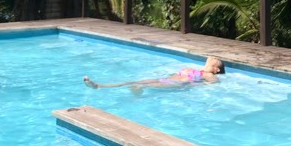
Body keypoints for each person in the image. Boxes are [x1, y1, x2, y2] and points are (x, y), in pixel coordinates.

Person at [83, 56, 225, 92]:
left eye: (214, 60)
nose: (211, 57)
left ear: (216, 69)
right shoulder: (197, 70)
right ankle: (100, 86)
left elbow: (213, 84)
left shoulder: (210, 75)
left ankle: (138, 91)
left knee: (144, 85)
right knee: (134, 81)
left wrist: (194, 85)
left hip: (178, 83)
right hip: (167, 79)